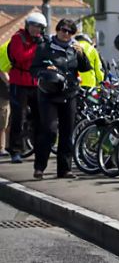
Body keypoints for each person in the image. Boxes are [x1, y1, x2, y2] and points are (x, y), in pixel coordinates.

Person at [30, 19, 91, 179]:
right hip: (48, 92)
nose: (66, 34)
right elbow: (34, 68)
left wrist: (81, 54)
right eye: (63, 30)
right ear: (57, 30)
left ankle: (65, 169)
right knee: (49, 130)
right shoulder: (45, 47)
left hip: (69, 92)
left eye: (70, 32)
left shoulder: (74, 48)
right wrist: (45, 72)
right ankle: (39, 167)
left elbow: (85, 68)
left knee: (67, 132)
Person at [7, 12, 47, 164]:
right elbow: (20, 57)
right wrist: (37, 47)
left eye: (39, 27)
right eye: (33, 26)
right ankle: (15, 150)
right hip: (19, 82)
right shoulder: (18, 38)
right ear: (27, 26)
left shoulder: (42, 41)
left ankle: (38, 148)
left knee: (40, 118)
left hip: (36, 83)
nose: (35, 30)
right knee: (19, 117)